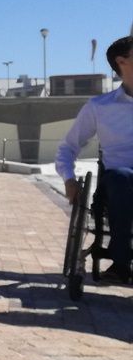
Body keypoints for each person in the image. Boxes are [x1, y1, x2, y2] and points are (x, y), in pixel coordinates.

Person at [56, 35, 133, 282]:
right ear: (122, 62)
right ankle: (121, 262)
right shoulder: (99, 107)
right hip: (119, 181)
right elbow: (68, 147)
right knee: (122, 177)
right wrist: (68, 179)